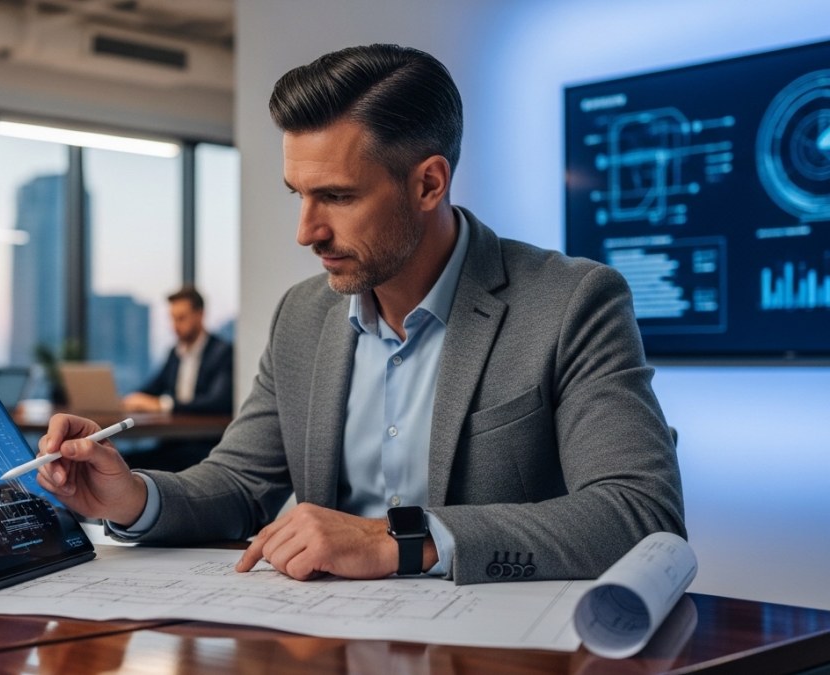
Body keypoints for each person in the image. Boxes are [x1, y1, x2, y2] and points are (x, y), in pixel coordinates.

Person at [34, 44, 685, 585]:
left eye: (337, 197)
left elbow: (638, 512)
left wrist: (396, 539)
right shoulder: (303, 316)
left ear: (428, 183)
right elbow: (237, 481)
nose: (306, 231)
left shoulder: (572, 301)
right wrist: (134, 497)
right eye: (299, 194)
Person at [122, 285, 234, 416]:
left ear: (200, 315)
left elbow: (218, 402)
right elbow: (155, 386)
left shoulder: (222, 353)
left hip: (205, 433)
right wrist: (130, 399)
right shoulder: (175, 352)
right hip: (174, 432)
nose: (174, 325)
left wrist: (164, 405)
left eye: (181, 318)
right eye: (172, 318)